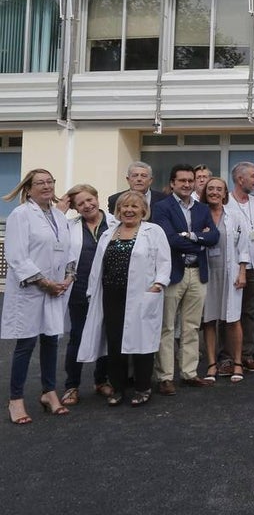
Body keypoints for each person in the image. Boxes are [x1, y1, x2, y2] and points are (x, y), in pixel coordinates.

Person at [77, 191, 170, 406]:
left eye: (134, 207)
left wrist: (158, 285)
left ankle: (142, 388)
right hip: (111, 295)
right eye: (124, 207)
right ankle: (117, 388)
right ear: (118, 211)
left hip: (142, 295)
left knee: (142, 342)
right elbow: (97, 267)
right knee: (115, 343)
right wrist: (92, 291)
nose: (129, 210)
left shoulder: (153, 231)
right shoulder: (109, 234)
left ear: (143, 210)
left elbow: (164, 262)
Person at [3, 169, 72, 424]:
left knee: (51, 341)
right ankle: (16, 400)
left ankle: (49, 392)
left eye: (50, 182)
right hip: (31, 291)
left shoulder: (58, 215)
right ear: (28, 189)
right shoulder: (21, 215)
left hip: (55, 289)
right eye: (39, 183)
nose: (46, 186)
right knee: (26, 345)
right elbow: (16, 256)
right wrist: (44, 283)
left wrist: (69, 276)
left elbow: (69, 249)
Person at [150, 163, 220, 395]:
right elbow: (169, 239)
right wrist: (200, 238)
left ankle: (189, 373)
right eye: (182, 181)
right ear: (172, 183)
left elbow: (215, 237)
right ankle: (165, 376)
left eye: (190, 181)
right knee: (167, 326)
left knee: (191, 326)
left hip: (197, 272)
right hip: (173, 273)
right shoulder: (161, 207)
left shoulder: (201, 209)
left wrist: (190, 236)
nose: (187, 185)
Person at [59, 184, 111, 406]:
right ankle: (72, 385)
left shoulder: (115, 223)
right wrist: (61, 209)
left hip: (110, 288)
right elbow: (50, 231)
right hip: (79, 289)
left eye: (90, 200)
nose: (87, 205)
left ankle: (101, 380)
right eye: (80, 203)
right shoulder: (68, 226)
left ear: (97, 198)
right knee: (78, 336)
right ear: (75, 208)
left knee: (107, 335)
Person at [201, 177, 249, 383]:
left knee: (233, 318)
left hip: (230, 272)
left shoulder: (235, 215)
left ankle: (237, 362)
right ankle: (212, 364)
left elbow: (244, 245)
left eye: (218, 189)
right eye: (210, 188)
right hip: (207, 272)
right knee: (210, 319)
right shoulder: (199, 214)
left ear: (225, 193)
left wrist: (242, 271)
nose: (214, 192)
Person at [226, 161, 254, 373]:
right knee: (230, 313)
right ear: (240, 179)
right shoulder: (226, 204)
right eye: (253, 176)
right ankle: (227, 358)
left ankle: (246, 355)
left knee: (250, 313)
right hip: (233, 268)